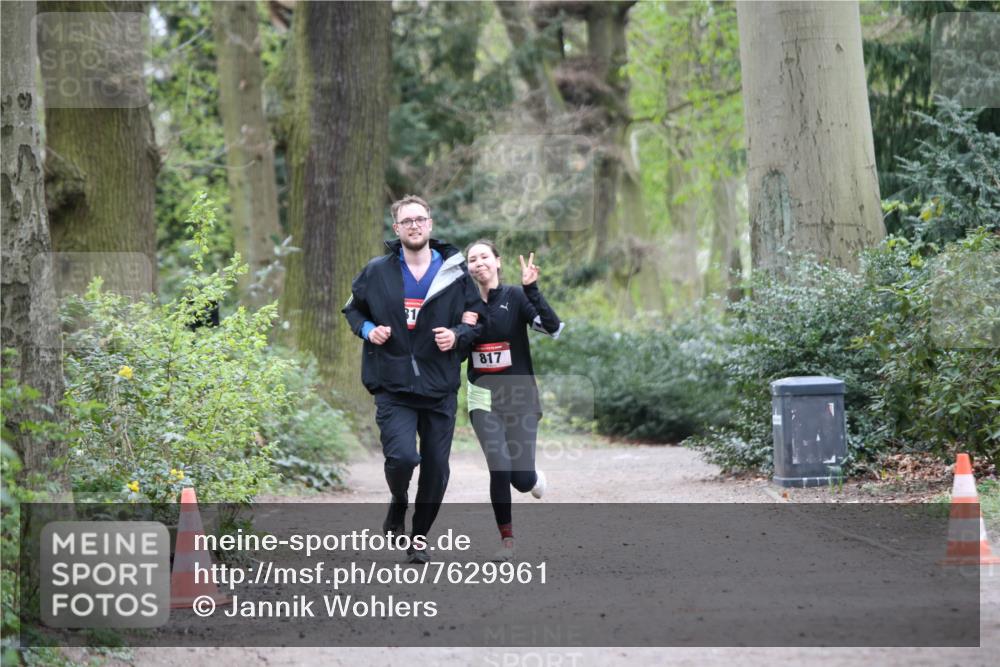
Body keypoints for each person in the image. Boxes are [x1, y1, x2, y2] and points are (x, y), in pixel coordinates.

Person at [342, 195, 484, 564]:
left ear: (431, 225)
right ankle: (399, 500)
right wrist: (368, 329)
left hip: (439, 385)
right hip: (393, 383)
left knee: (436, 469)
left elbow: (474, 318)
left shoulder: (455, 273)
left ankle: (418, 537)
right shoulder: (377, 271)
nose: (415, 226)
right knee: (403, 458)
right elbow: (353, 309)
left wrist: (457, 336)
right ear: (397, 229)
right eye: (407, 221)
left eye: (420, 219)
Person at [461, 240, 563, 561]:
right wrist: (461, 330)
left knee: (520, 478)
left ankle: (533, 477)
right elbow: (457, 351)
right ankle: (507, 541)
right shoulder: (462, 304)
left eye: (484, 257)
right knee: (499, 468)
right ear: (468, 268)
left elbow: (553, 328)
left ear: (497, 262)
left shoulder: (515, 297)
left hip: (519, 398)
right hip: (482, 397)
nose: (478, 263)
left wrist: (532, 289)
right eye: (472, 259)